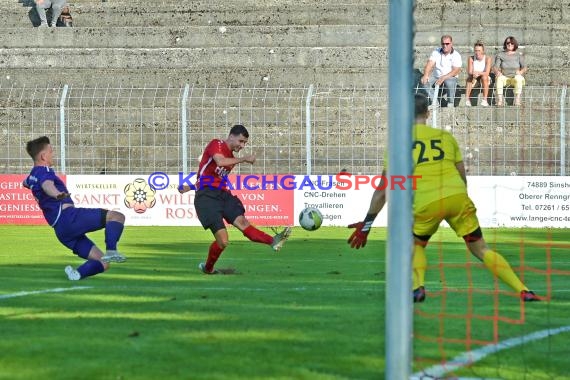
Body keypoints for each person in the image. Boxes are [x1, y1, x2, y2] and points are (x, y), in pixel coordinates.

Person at [347, 94, 539, 303]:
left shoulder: (399, 143)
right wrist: (459, 203)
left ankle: (417, 287)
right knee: (481, 248)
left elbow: (383, 191)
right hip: (457, 197)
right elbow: (462, 178)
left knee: (415, 244)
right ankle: (523, 290)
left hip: (427, 203)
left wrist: (366, 226)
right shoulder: (446, 138)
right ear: (427, 114)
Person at [178, 124, 292, 274]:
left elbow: (210, 177)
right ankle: (208, 268)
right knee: (223, 241)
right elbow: (219, 162)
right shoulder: (216, 144)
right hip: (206, 198)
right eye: (241, 141)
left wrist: (189, 187)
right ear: (231, 136)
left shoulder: (230, 158)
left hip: (222, 194)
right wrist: (243, 159)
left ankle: (273, 241)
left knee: (243, 223)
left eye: (245, 143)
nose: (242, 145)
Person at [23, 136, 127, 281]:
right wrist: (57, 194)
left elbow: (26, 183)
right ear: (43, 156)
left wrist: (34, 190)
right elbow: (48, 186)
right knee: (117, 216)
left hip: (61, 231)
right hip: (69, 218)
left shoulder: (32, 175)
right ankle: (112, 249)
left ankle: (76, 274)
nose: (53, 154)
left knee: (103, 262)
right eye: (51, 151)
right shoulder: (45, 171)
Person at [420, 35, 462, 108]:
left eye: (447, 43)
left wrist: (443, 78)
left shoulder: (456, 55)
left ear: (451, 43)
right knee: (424, 81)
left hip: (450, 77)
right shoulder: (436, 51)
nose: (445, 45)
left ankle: (450, 102)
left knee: (449, 81)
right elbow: (429, 64)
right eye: (443, 43)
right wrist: (426, 75)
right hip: (436, 76)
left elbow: (456, 71)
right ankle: (435, 102)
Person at [493, 36, 527, 106]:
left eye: (512, 43)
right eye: (508, 43)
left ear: (514, 44)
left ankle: (517, 100)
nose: (510, 44)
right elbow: (495, 67)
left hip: (515, 77)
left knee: (519, 78)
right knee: (499, 79)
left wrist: (520, 72)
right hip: (505, 77)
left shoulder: (518, 55)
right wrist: (497, 72)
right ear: (505, 44)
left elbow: (525, 67)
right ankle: (500, 100)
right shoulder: (500, 55)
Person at [465, 41, 492, 107]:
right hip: (475, 78)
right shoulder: (471, 58)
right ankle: (467, 100)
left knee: (484, 77)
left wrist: (477, 73)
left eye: (479, 50)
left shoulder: (487, 59)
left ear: (483, 50)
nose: (477, 52)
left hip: (485, 78)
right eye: (476, 50)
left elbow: (487, 73)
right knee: (469, 78)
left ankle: (484, 100)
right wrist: (474, 74)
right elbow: (470, 72)